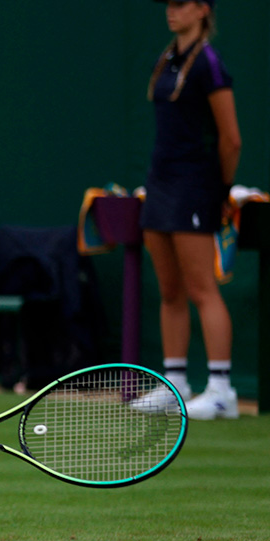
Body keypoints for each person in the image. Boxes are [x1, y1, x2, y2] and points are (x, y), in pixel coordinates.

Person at [139, 0, 241, 421]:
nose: (171, 11)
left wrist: (220, 190)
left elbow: (231, 139)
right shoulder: (169, 56)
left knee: (201, 288)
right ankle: (175, 384)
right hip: (160, 183)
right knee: (169, 289)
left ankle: (221, 390)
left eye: (181, 4)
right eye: (169, 4)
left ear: (202, 10)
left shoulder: (209, 64)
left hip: (195, 186)